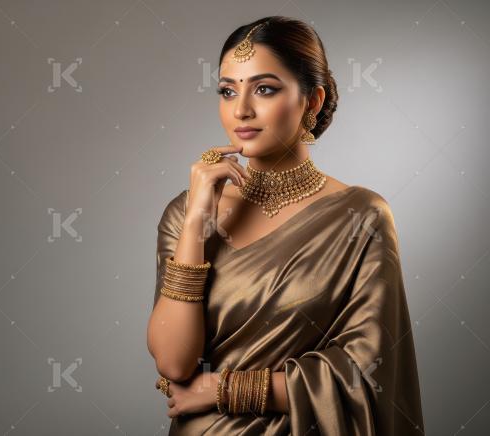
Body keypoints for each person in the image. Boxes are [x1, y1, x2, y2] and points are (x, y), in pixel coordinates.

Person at [146, 16, 425, 435]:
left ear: (311, 101)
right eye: (227, 90)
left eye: (264, 89)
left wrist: (225, 389)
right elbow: (173, 363)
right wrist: (195, 224)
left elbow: (367, 374)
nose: (240, 109)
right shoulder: (186, 213)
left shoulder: (361, 217)